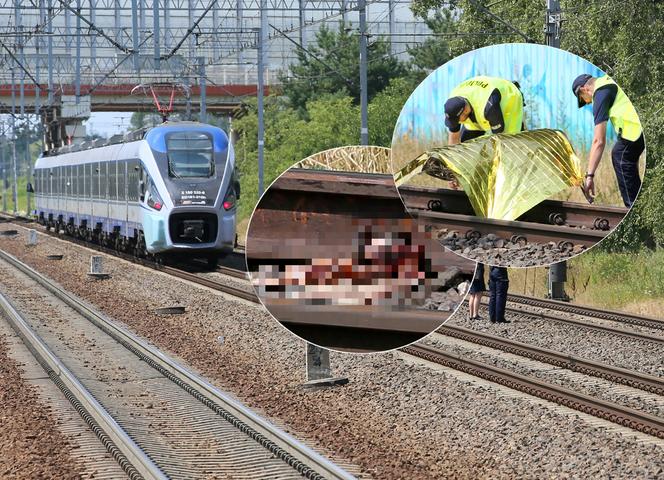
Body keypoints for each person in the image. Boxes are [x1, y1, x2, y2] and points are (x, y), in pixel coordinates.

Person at [572, 74, 644, 208]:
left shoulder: (599, 94)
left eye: (583, 99)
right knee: (625, 155)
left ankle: (634, 210)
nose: (587, 102)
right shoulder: (609, 80)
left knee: (620, 155)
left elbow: (599, 141)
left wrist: (590, 176)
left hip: (635, 131)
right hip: (640, 130)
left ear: (584, 89)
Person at [444, 75, 525, 145]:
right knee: (466, 143)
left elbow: (499, 137)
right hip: (476, 102)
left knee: (509, 141)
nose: (457, 122)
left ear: (465, 110)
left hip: (508, 96)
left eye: (457, 120)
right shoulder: (453, 104)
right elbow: (453, 139)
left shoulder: (489, 107)